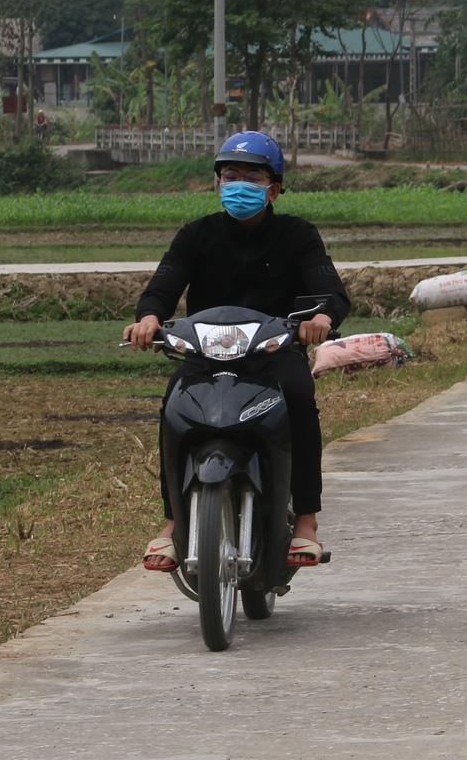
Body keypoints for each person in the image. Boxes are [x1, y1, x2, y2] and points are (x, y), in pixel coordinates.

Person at [124, 131, 350, 573]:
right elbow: (163, 286)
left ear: (274, 188)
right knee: (174, 409)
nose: (239, 183)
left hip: (274, 353)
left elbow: (330, 292)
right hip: (205, 355)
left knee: (300, 401)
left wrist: (320, 319)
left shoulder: (297, 235)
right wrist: (149, 318)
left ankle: (306, 521)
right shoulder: (196, 235)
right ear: (217, 184)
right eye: (230, 175)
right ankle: (172, 523)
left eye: (252, 175)